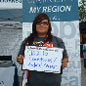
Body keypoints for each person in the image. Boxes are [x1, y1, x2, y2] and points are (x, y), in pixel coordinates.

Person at [17, 13, 68, 86]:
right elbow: (20, 57)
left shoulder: (57, 41)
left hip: (53, 83)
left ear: (49, 26)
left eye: (45, 23)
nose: (42, 25)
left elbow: (65, 57)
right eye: (38, 23)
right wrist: (20, 59)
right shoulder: (27, 41)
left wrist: (64, 61)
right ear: (35, 25)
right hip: (32, 82)